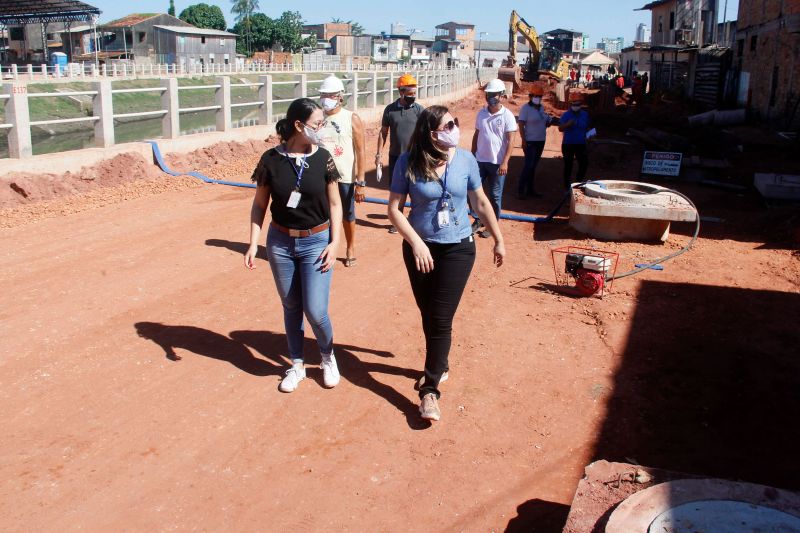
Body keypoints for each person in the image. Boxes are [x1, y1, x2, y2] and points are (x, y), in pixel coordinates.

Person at [387, 105, 505, 422]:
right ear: (430, 132)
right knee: (429, 313)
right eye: (446, 125)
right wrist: (416, 243)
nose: (454, 128)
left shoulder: (465, 159)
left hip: (458, 249)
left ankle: (429, 390)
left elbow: (480, 201)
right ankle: (442, 363)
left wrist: (498, 237)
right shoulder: (408, 161)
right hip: (420, 249)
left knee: (440, 318)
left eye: (455, 123)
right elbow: (395, 210)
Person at [245, 98, 343, 393]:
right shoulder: (270, 160)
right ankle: (297, 364)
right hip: (281, 243)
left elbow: (336, 203)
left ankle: (327, 357)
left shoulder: (323, 157)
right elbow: (259, 205)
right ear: (298, 126)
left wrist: (335, 242)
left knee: (315, 310)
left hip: (316, 241)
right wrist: (253, 243)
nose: (321, 128)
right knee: (291, 305)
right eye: (317, 124)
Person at [317, 75, 366, 267]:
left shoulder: (350, 118)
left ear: (340, 97)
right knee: (323, 214)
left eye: (329, 94)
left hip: (344, 176)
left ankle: (350, 247)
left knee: (347, 214)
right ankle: (327, 247)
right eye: (323, 94)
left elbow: (361, 151)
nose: (325, 98)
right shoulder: (317, 118)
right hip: (320, 177)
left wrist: (360, 182)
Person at [376, 73, 425, 233]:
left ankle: (415, 219)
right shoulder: (390, 110)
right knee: (397, 190)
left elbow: (426, 133)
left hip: (415, 156)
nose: (413, 96)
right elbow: (383, 133)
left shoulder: (419, 110)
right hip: (396, 157)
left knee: (417, 188)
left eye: (414, 93)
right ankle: (397, 221)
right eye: (410, 93)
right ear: (401, 92)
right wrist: (378, 155)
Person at [471, 78, 517, 238]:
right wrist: (472, 155)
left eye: (494, 94)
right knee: (474, 192)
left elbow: (511, 140)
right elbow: (477, 134)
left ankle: (492, 225)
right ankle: (477, 219)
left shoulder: (507, 116)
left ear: (501, 95)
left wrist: (505, 162)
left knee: (495, 196)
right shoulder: (481, 114)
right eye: (488, 94)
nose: (490, 96)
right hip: (480, 161)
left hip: (497, 164)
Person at [516, 85, 554, 198]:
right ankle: (521, 190)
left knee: (533, 166)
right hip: (530, 142)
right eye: (536, 96)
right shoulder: (525, 109)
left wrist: (548, 121)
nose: (538, 98)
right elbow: (521, 124)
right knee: (529, 166)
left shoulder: (541, 108)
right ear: (530, 96)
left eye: (540, 96)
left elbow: (543, 123)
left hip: (540, 141)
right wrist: (523, 140)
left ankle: (530, 190)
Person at [559, 93, 591, 187]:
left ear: (581, 104)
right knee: (568, 165)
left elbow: (588, 127)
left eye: (577, 104)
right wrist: (567, 124)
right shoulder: (566, 115)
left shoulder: (585, 115)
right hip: (568, 144)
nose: (575, 106)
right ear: (571, 104)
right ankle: (566, 186)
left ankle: (577, 183)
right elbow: (560, 128)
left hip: (581, 144)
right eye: (574, 104)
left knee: (584, 164)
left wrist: (590, 135)